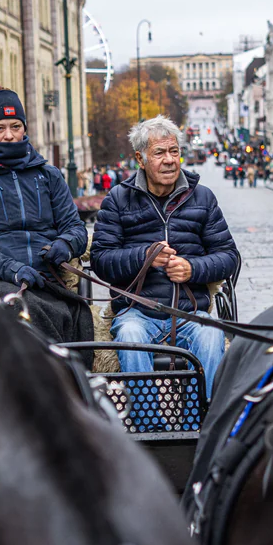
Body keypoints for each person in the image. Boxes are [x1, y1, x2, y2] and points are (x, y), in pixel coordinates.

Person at [92, 116, 239, 395]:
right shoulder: (117, 199)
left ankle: (205, 420)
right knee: (130, 335)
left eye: (174, 151)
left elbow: (227, 256)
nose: (170, 160)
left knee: (211, 333)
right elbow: (101, 259)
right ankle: (149, 424)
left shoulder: (203, 198)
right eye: (159, 153)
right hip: (136, 313)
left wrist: (192, 269)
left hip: (190, 312)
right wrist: (143, 257)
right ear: (141, 158)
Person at [0, 87, 91, 343]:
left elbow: (76, 228)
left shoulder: (49, 175)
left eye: (15, 126)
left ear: (25, 127)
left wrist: (66, 244)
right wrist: (10, 269)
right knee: (21, 306)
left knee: (75, 315)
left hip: (47, 280)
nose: (10, 135)